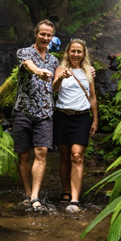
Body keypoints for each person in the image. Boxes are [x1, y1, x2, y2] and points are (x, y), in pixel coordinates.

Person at [13, 19, 59, 212]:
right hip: (23, 110)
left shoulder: (54, 61)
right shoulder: (24, 52)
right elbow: (28, 65)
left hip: (45, 112)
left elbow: (60, 80)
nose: (45, 38)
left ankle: (35, 197)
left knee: (41, 153)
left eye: (49, 35)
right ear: (36, 33)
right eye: (43, 34)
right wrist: (39, 72)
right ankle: (27, 192)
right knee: (23, 156)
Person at [52, 38, 98, 213]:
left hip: (81, 118)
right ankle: (65, 191)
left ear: (83, 54)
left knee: (77, 156)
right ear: (68, 52)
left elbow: (92, 96)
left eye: (79, 51)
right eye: (73, 51)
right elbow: (54, 88)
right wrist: (60, 78)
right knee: (64, 157)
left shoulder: (89, 72)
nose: (76, 54)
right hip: (63, 116)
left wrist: (95, 120)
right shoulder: (61, 69)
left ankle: (75, 199)